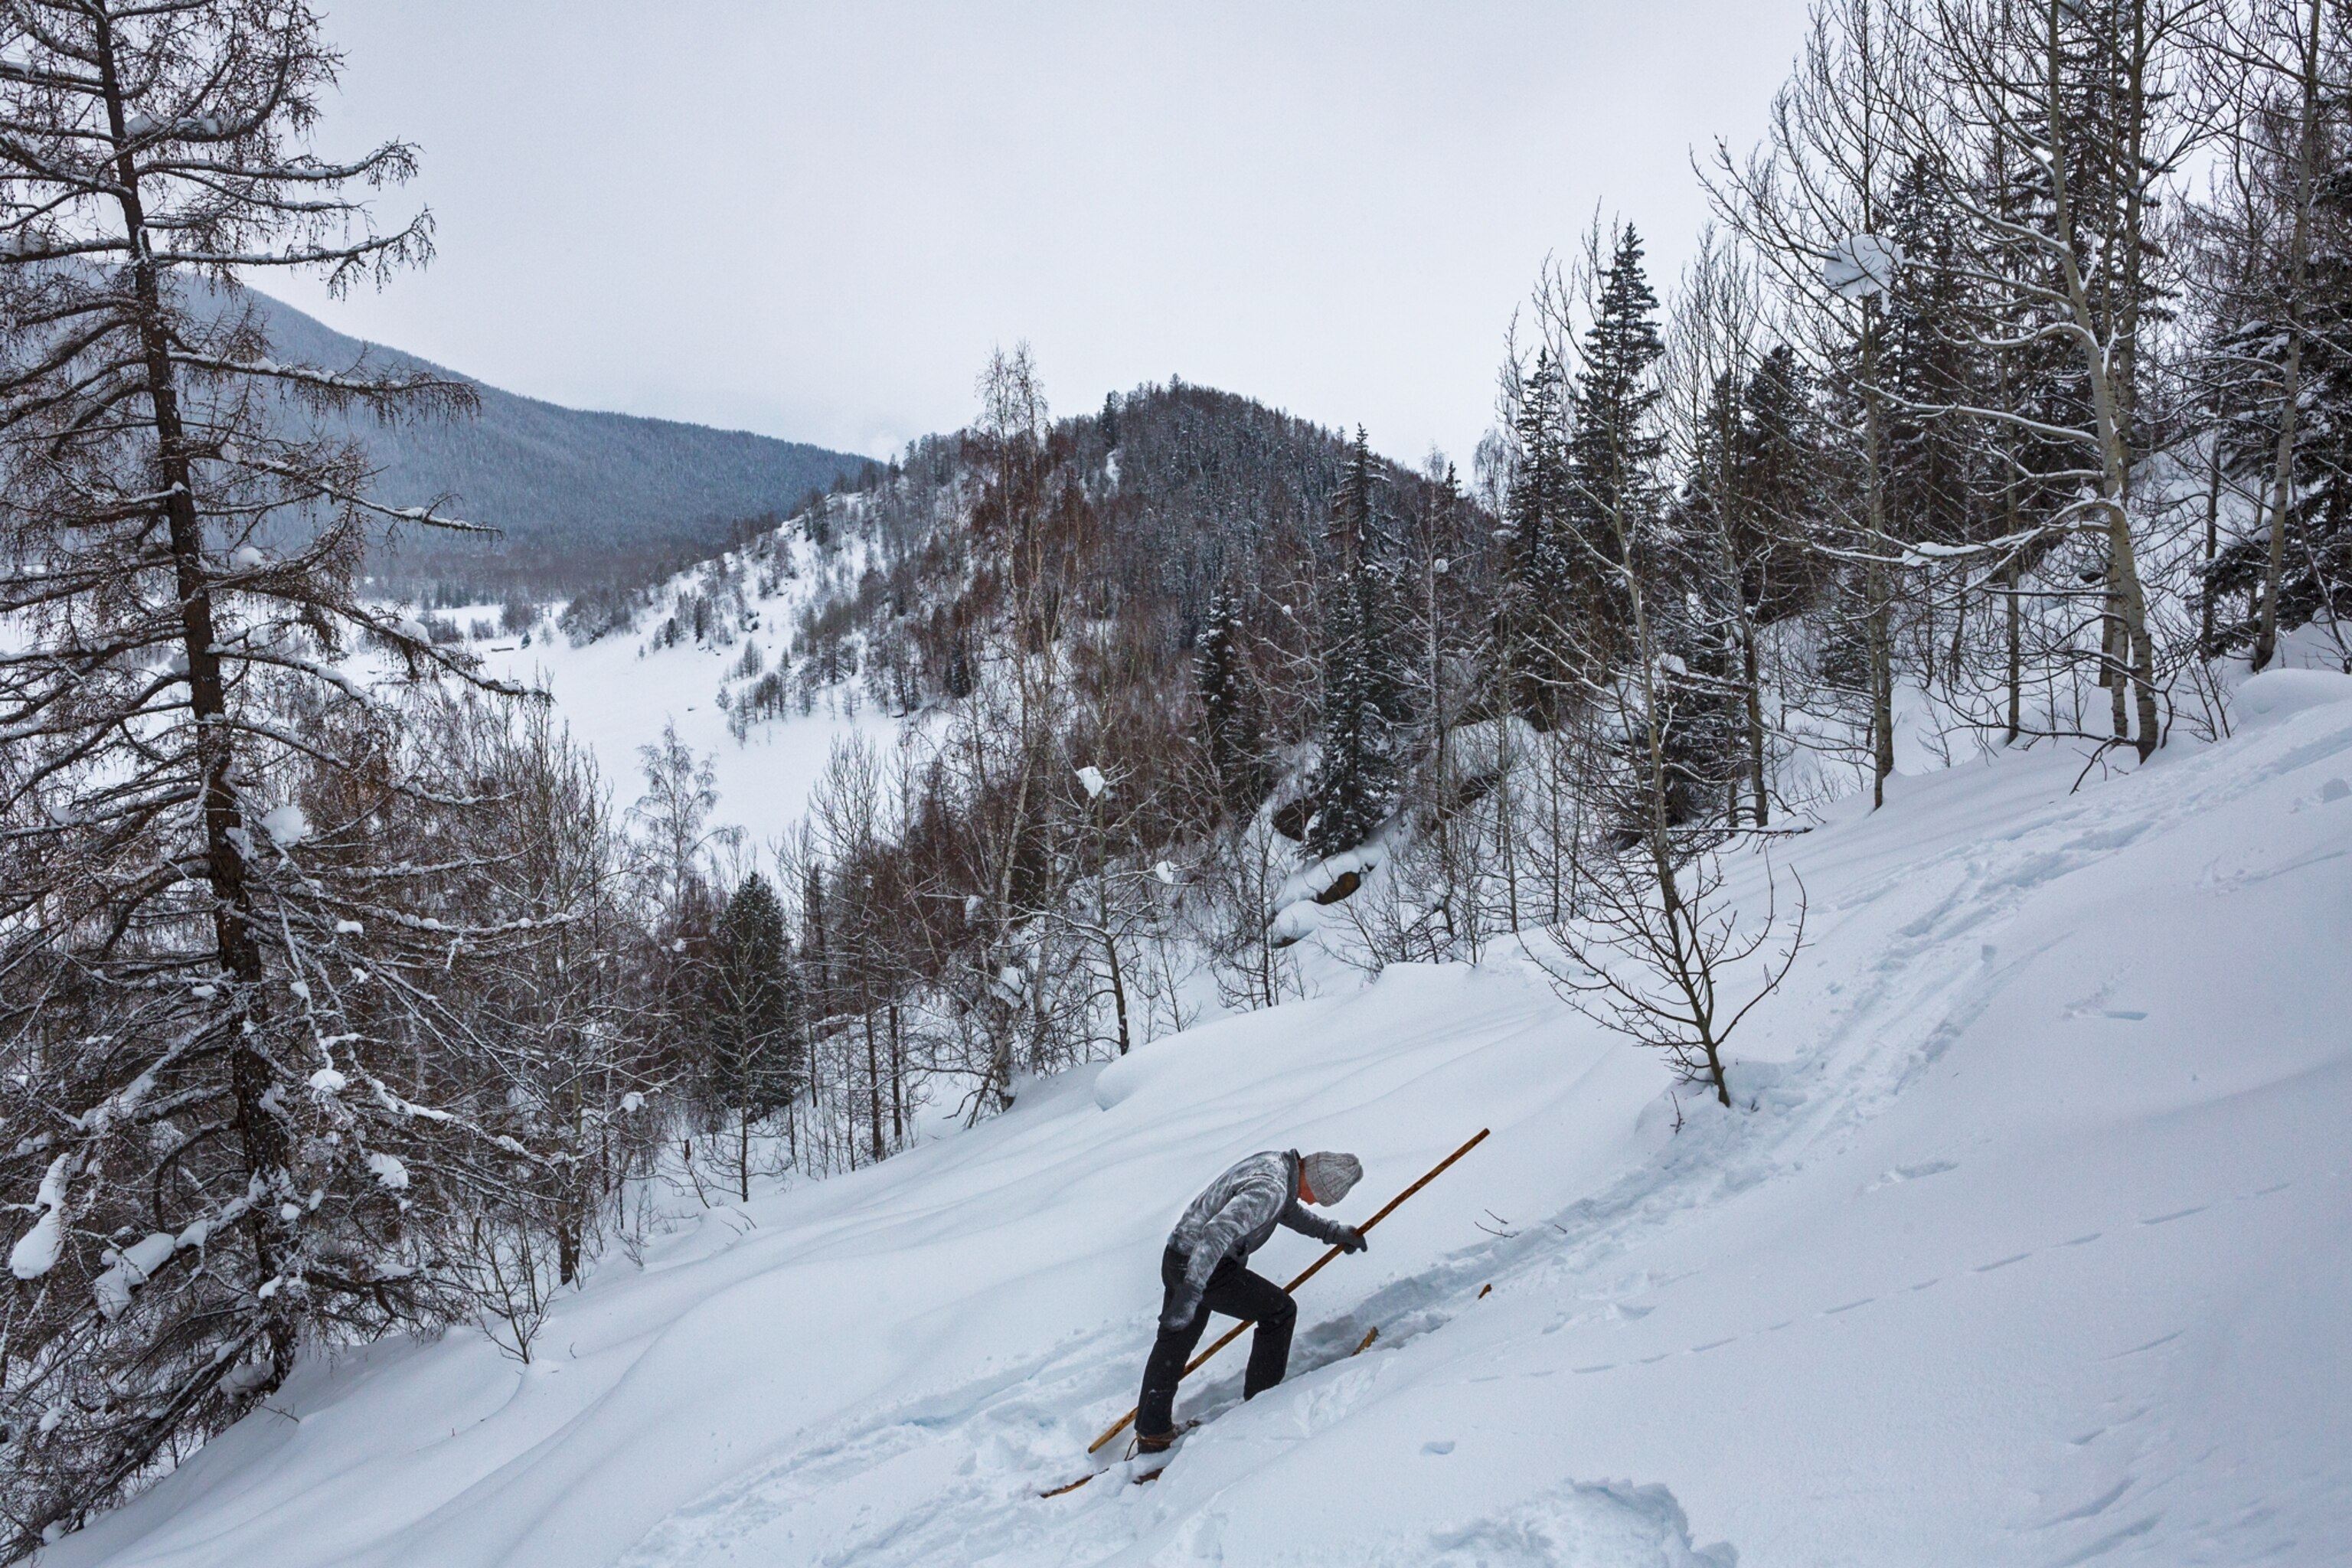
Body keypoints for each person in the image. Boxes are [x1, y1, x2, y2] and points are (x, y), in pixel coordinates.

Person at [1133, 1148, 1367, 1453]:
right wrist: (1192, 1291)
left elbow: (1286, 1210)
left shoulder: (1276, 1168)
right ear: (1315, 1181)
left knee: (1174, 1345)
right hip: (1205, 1263)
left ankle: (1152, 1432)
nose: (1313, 1202)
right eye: (1320, 1197)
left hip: (1179, 1255)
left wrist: (1332, 1233)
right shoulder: (1271, 1188)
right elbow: (1217, 1233)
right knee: (1279, 1313)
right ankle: (1261, 1406)